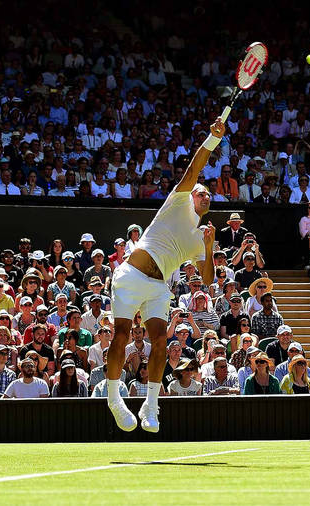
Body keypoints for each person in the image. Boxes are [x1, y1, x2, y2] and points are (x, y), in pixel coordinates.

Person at [104, 117, 222, 432]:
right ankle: (114, 399)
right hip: (130, 276)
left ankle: (151, 406)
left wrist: (209, 249)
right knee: (121, 335)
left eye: (209, 196)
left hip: (159, 287)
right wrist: (211, 140)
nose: (205, 196)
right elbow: (193, 170)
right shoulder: (178, 200)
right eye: (201, 193)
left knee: (161, 342)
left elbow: (208, 280)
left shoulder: (202, 237)